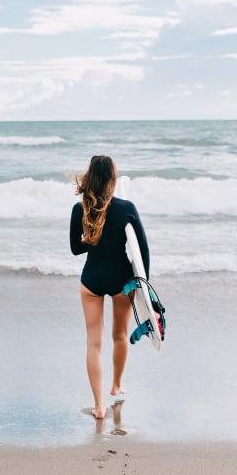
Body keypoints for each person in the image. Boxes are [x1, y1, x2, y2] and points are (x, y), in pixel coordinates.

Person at [70, 155, 149, 420]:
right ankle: (116, 384)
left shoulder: (79, 210)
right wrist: (144, 285)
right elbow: (142, 251)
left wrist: (93, 238)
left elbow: (75, 249)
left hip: (92, 280)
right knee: (120, 335)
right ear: (113, 180)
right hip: (120, 281)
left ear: (90, 178)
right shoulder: (127, 208)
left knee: (94, 343)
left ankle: (100, 405)